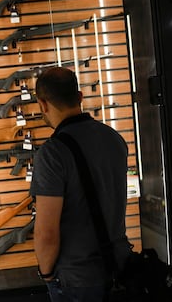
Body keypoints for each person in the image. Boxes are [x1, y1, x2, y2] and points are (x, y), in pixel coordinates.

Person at [30, 67, 132, 302]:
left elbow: (46, 232)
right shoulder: (114, 138)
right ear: (79, 97)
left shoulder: (52, 153)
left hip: (77, 278)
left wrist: (46, 273)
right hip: (121, 267)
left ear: (43, 104)